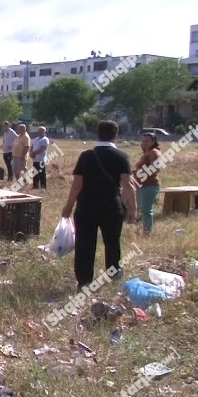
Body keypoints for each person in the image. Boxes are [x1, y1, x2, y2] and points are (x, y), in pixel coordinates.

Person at [61, 120, 137, 291]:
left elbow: (77, 185)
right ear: (116, 135)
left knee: (85, 244)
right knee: (112, 242)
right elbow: (127, 185)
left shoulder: (86, 156)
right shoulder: (121, 157)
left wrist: (68, 206)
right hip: (111, 206)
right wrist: (133, 208)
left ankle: (84, 280)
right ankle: (113, 274)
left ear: (97, 134)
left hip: (86, 207)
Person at [132, 132, 162, 236]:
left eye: (147, 141)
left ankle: (147, 233)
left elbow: (155, 169)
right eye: (143, 140)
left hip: (150, 185)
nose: (144, 143)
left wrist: (138, 173)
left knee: (146, 210)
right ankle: (145, 230)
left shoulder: (154, 152)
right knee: (143, 209)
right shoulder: (146, 152)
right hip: (141, 185)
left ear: (153, 142)